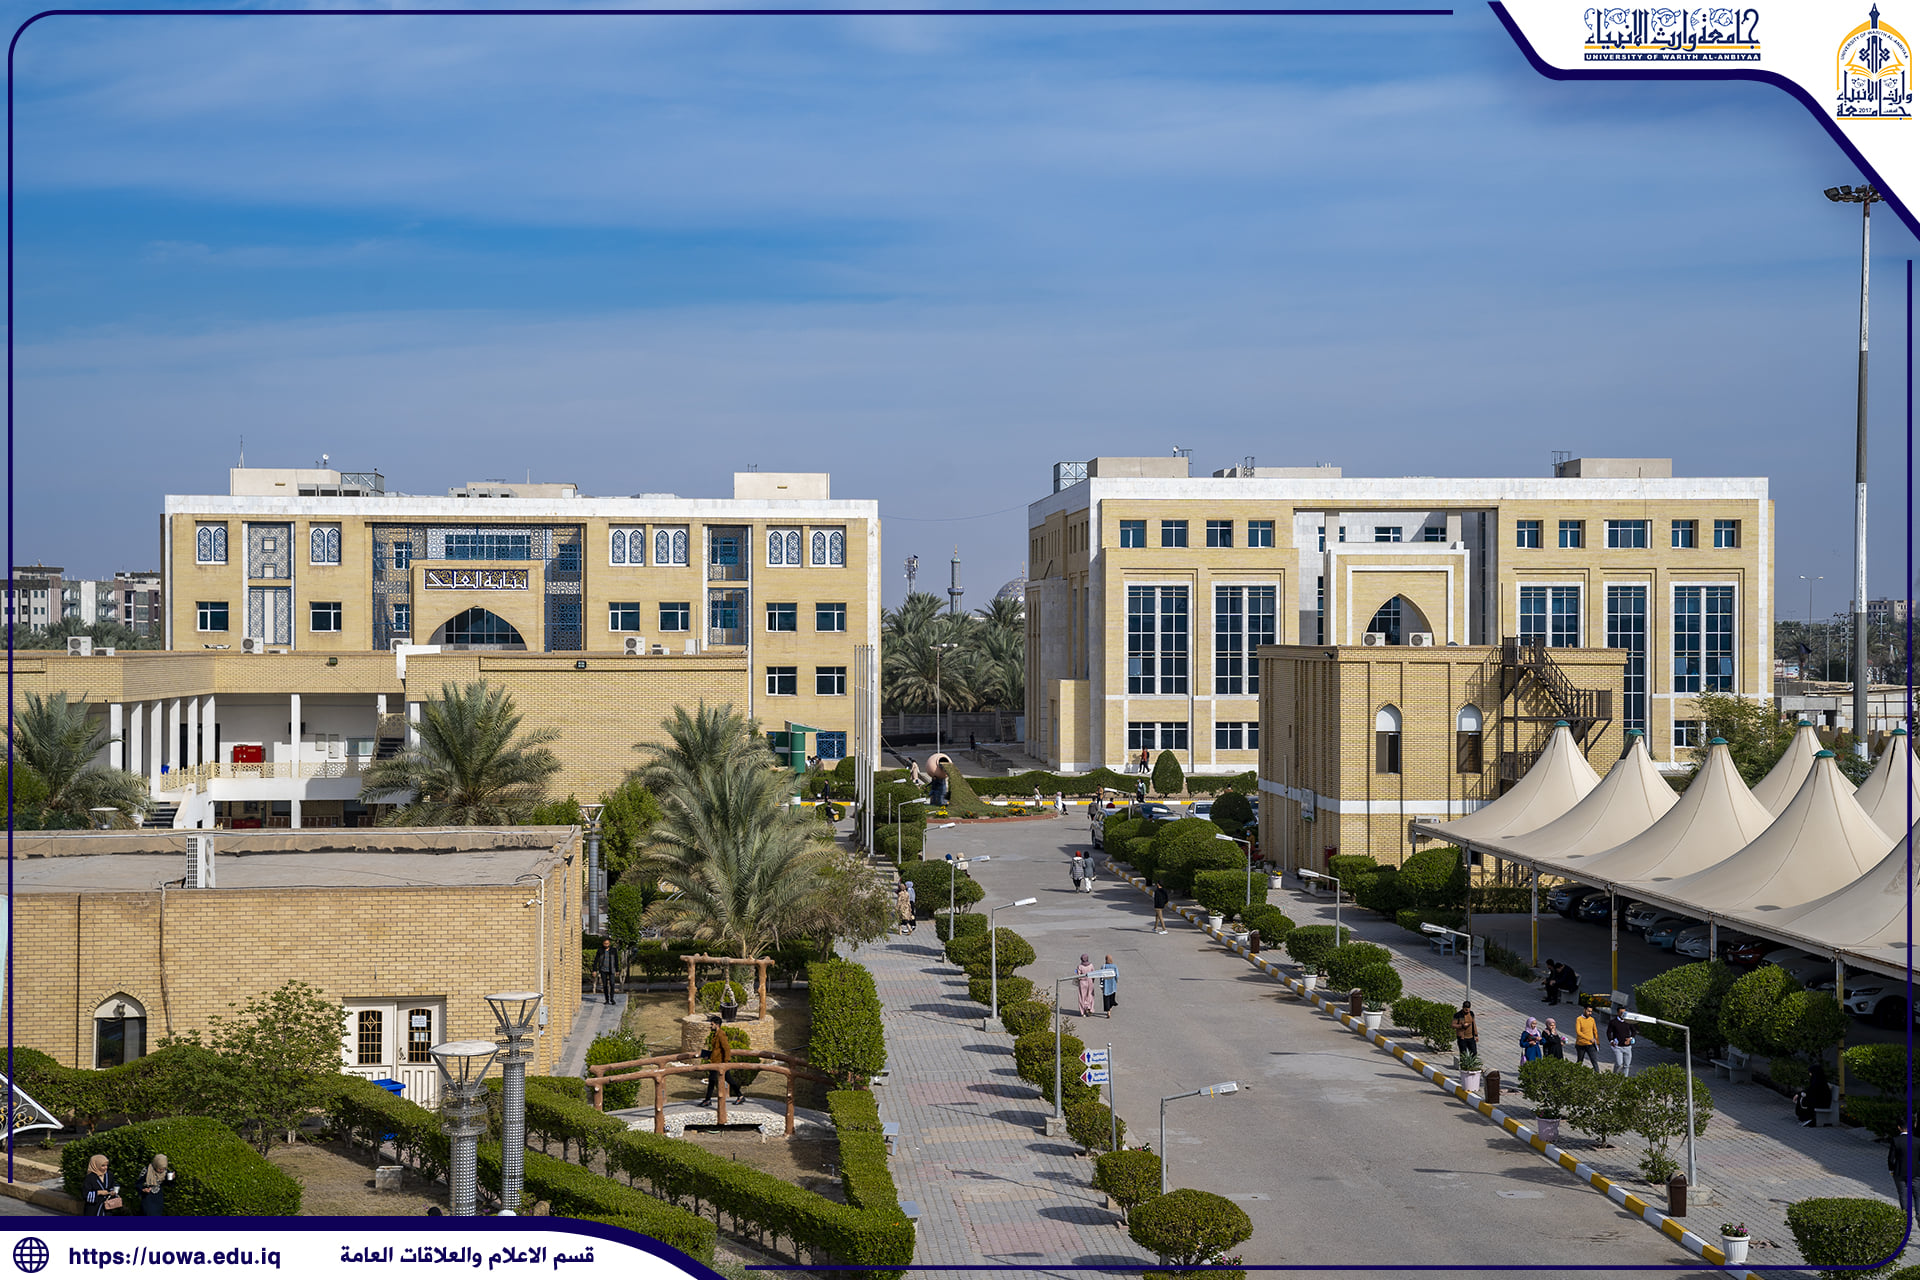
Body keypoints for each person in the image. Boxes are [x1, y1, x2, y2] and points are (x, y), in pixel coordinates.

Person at [699, 1016, 740, 1107]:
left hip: (720, 1063)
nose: (710, 1026)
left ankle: (740, 1095)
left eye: (712, 1024)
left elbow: (726, 1048)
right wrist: (709, 1055)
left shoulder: (721, 1034)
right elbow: (717, 1050)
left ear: (717, 1025)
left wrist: (726, 1062)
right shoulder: (716, 1034)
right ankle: (708, 1099)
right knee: (712, 1080)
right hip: (715, 1061)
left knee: (727, 1079)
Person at [1794, 1062, 1833, 1127]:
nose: (1809, 1074)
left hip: (1822, 1102)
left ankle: (1807, 1118)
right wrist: (1799, 1094)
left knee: (1804, 1101)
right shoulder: (1818, 1080)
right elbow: (1810, 1090)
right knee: (1802, 1099)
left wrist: (1799, 1094)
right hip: (1819, 1100)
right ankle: (1805, 1118)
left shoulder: (1819, 1082)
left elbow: (1811, 1091)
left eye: (1810, 1072)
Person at [1607, 1006, 1635, 1076]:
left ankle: (1624, 1080)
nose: (1623, 1014)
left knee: (1627, 1065)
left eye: (1624, 1012)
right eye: (1621, 1012)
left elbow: (1634, 1031)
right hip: (1618, 1047)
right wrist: (1611, 1041)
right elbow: (1608, 1032)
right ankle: (1614, 1076)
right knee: (1619, 1064)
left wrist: (1630, 1038)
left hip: (1627, 1047)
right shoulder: (1613, 1022)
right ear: (1618, 1013)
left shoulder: (1628, 1021)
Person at [1890, 1121, 1912, 1212]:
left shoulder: (1896, 1140)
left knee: (1902, 1193)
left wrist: (1891, 1170)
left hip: (1899, 1170)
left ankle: (1905, 1212)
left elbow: (1891, 1158)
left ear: (1899, 1127)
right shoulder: (1916, 1140)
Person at [1573, 1005, 1601, 1071]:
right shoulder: (1579, 1019)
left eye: (1591, 1012)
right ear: (1584, 1010)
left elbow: (1595, 1031)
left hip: (1590, 1044)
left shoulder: (1592, 1019)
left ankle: (1598, 1074)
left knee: (1594, 1060)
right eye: (1588, 1011)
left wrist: (1597, 1042)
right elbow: (1578, 1032)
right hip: (1581, 1044)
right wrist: (1589, 1038)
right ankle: (1575, 1073)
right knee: (1580, 1061)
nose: (1590, 1013)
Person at [595, 937, 618, 1006]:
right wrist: (594, 970)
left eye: (607, 943)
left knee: (612, 984)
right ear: (603, 944)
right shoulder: (600, 950)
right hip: (603, 970)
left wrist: (617, 970)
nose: (606, 945)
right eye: (605, 944)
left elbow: (616, 960)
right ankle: (607, 999)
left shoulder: (613, 950)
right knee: (605, 985)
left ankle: (612, 998)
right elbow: (596, 960)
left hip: (611, 969)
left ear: (609, 943)